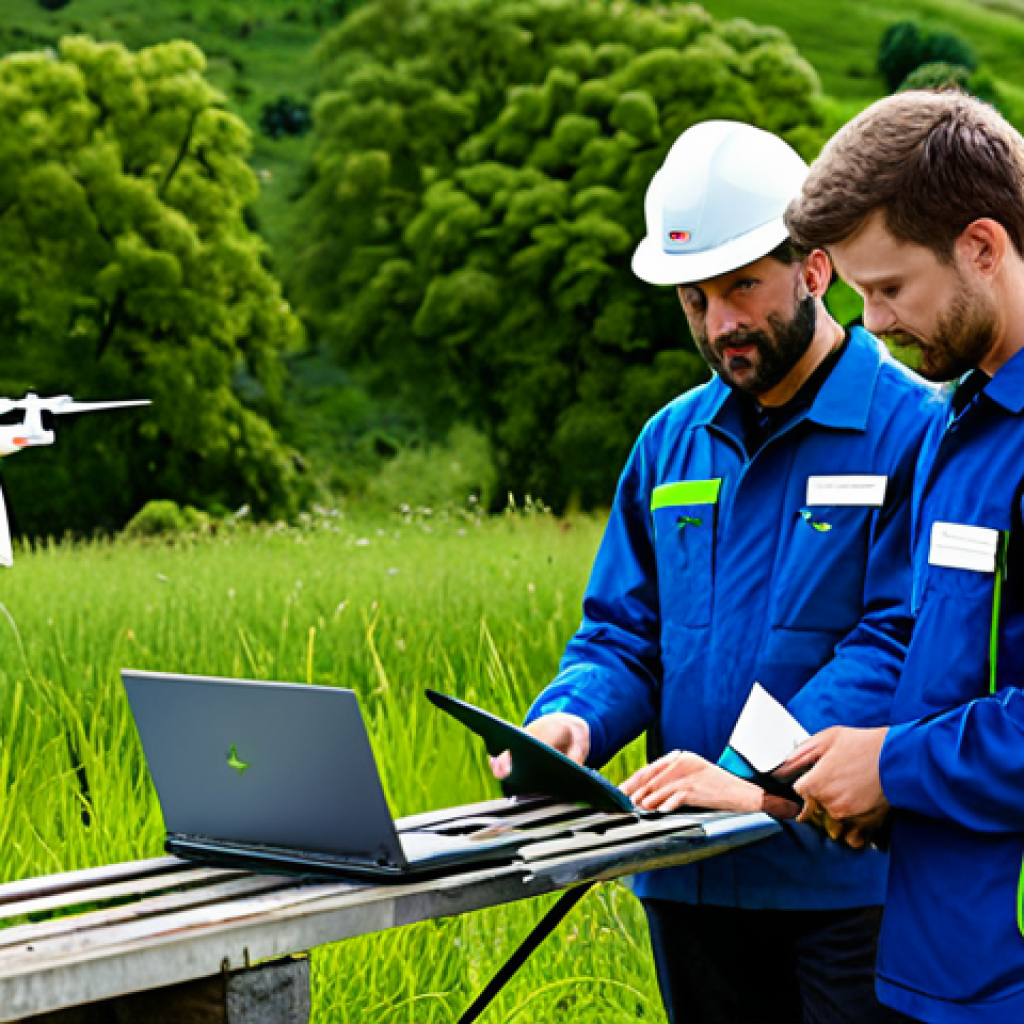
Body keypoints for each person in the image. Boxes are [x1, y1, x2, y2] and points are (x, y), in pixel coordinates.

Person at [491, 120, 936, 1024]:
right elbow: (623, 631)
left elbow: (898, 639)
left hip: (841, 887)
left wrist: (742, 772)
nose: (721, 323)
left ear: (815, 270)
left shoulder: (913, 430)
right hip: (686, 878)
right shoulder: (669, 443)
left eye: (743, 287)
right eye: (695, 300)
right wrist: (573, 720)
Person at [782, 89, 1024, 1023]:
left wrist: (893, 768)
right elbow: (924, 657)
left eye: (889, 288)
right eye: (855, 294)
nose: (872, 324)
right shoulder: (952, 429)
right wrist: (796, 772)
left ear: (982, 246)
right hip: (934, 961)